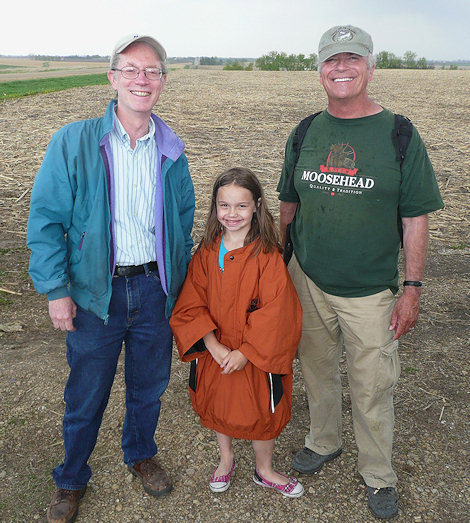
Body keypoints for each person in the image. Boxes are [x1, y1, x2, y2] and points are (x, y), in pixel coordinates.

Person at [27, 34, 195, 523]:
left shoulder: (172, 150)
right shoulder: (75, 141)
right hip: (94, 292)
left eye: (153, 71)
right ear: (113, 78)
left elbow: (182, 224)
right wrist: (57, 290)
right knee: (86, 393)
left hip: (153, 290)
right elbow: (46, 221)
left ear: (163, 82)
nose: (142, 79)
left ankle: (140, 453)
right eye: (132, 69)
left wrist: (179, 284)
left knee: (149, 386)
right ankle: (71, 477)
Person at [277, 25, 444, 519]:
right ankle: (323, 441)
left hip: (371, 291)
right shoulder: (306, 131)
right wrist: (280, 267)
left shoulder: (399, 134)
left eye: (352, 59)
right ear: (320, 70)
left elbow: (416, 218)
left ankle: (378, 474)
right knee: (318, 369)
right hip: (307, 279)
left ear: (371, 68)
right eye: (332, 60)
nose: (341, 67)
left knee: (373, 386)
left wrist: (411, 288)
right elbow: (288, 203)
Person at [170, 167, 304, 498]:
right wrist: (212, 345)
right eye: (224, 205)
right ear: (215, 207)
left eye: (241, 206)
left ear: (257, 205)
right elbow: (192, 302)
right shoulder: (205, 252)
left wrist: (245, 352)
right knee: (219, 402)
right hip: (218, 349)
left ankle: (264, 468)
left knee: (263, 409)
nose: (232, 214)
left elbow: (278, 312)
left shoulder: (268, 255)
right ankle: (226, 459)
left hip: (255, 354)